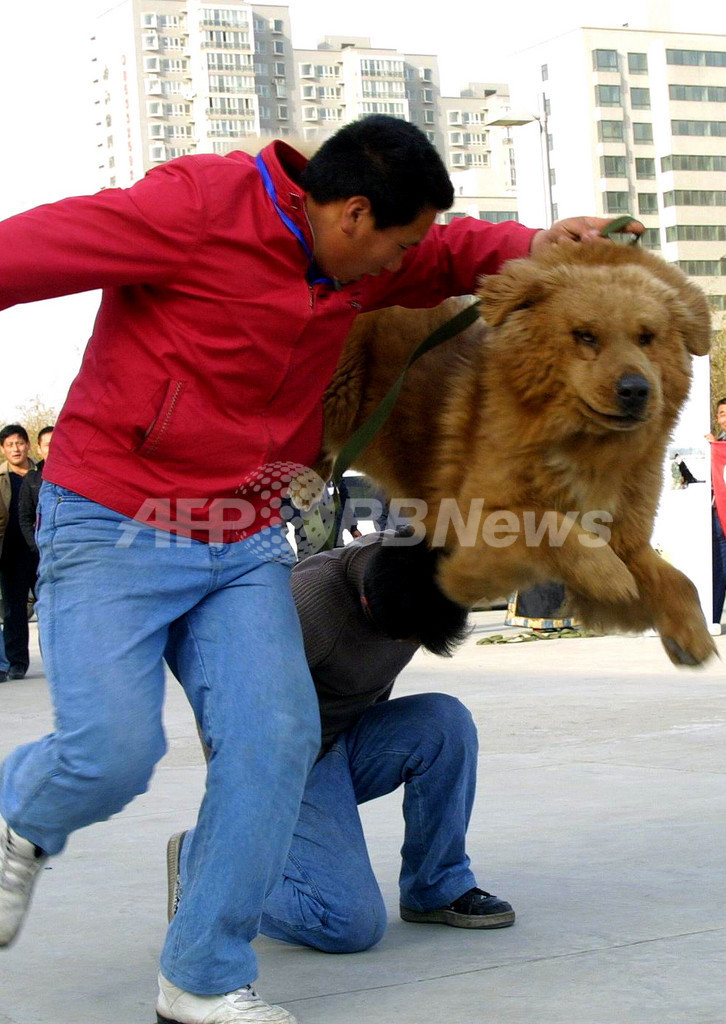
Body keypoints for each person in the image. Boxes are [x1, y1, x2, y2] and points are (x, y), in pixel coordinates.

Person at [0, 113, 631, 1024]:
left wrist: (537, 240)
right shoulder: (196, 207)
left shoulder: (354, 250)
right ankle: (21, 822)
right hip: (117, 520)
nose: (402, 266)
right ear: (355, 215)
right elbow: (28, 252)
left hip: (242, 536)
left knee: (276, 739)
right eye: (397, 244)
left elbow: (448, 255)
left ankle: (203, 977)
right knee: (113, 755)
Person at [168, 533, 514, 957]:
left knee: (445, 721)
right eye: (409, 638)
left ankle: (435, 887)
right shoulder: (302, 612)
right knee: (347, 923)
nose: (411, 646)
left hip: (346, 739)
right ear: (369, 607)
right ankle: (200, 862)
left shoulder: (416, 569)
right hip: (286, 765)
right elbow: (229, 717)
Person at [0, 425, 38, 682]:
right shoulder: (1, 477)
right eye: (10, 445)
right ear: (3, 449)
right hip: (10, 553)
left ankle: (59, 658)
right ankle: (17, 662)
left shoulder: (44, 474)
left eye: (20, 443)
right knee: (13, 609)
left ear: (27, 445)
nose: (15, 449)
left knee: (51, 604)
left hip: (41, 550)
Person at [18, 425, 54, 553]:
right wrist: (36, 546)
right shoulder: (32, 479)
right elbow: (25, 518)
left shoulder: (75, 477)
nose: (53, 448)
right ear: (39, 449)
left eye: (56, 443)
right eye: (48, 445)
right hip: (43, 548)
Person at [706, 397, 726, 624]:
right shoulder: (716, 444)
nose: (725, 419)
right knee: (718, 568)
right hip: (717, 513)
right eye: (722, 414)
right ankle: (713, 617)